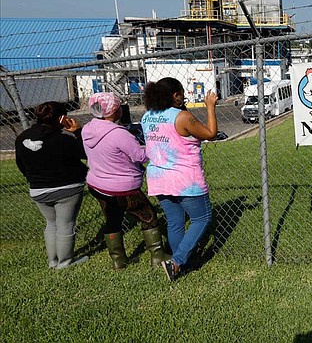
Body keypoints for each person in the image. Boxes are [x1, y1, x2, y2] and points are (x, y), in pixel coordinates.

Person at [140, 77, 218, 281]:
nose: (184, 96)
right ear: (175, 96)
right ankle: (177, 262)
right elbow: (210, 133)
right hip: (185, 179)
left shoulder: (148, 116)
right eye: (182, 92)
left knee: (175, 222)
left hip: (159, 177)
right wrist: (210, 106)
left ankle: (178, 263)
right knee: (202, 218)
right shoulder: (182, 117)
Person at [82, 92, 171, 270]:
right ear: (114, 110)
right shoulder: (118, 134)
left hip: (97, 184)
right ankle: (157, 254)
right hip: (123, 188)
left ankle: (118, 260)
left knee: (112, 219)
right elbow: (139, 156)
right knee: (149, 216)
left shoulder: (87, 129)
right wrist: (155, 147)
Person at [15, 101, 89, 269]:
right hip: (67, 189)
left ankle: (52, 261)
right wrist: (77, 131)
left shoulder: (22, 138)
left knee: (51, 223)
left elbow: (21, 164)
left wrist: (34, 179)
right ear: (62, 118)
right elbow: (86, 152)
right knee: (65, 224)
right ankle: (65, 263)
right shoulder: (63, 140)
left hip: (38, 190)